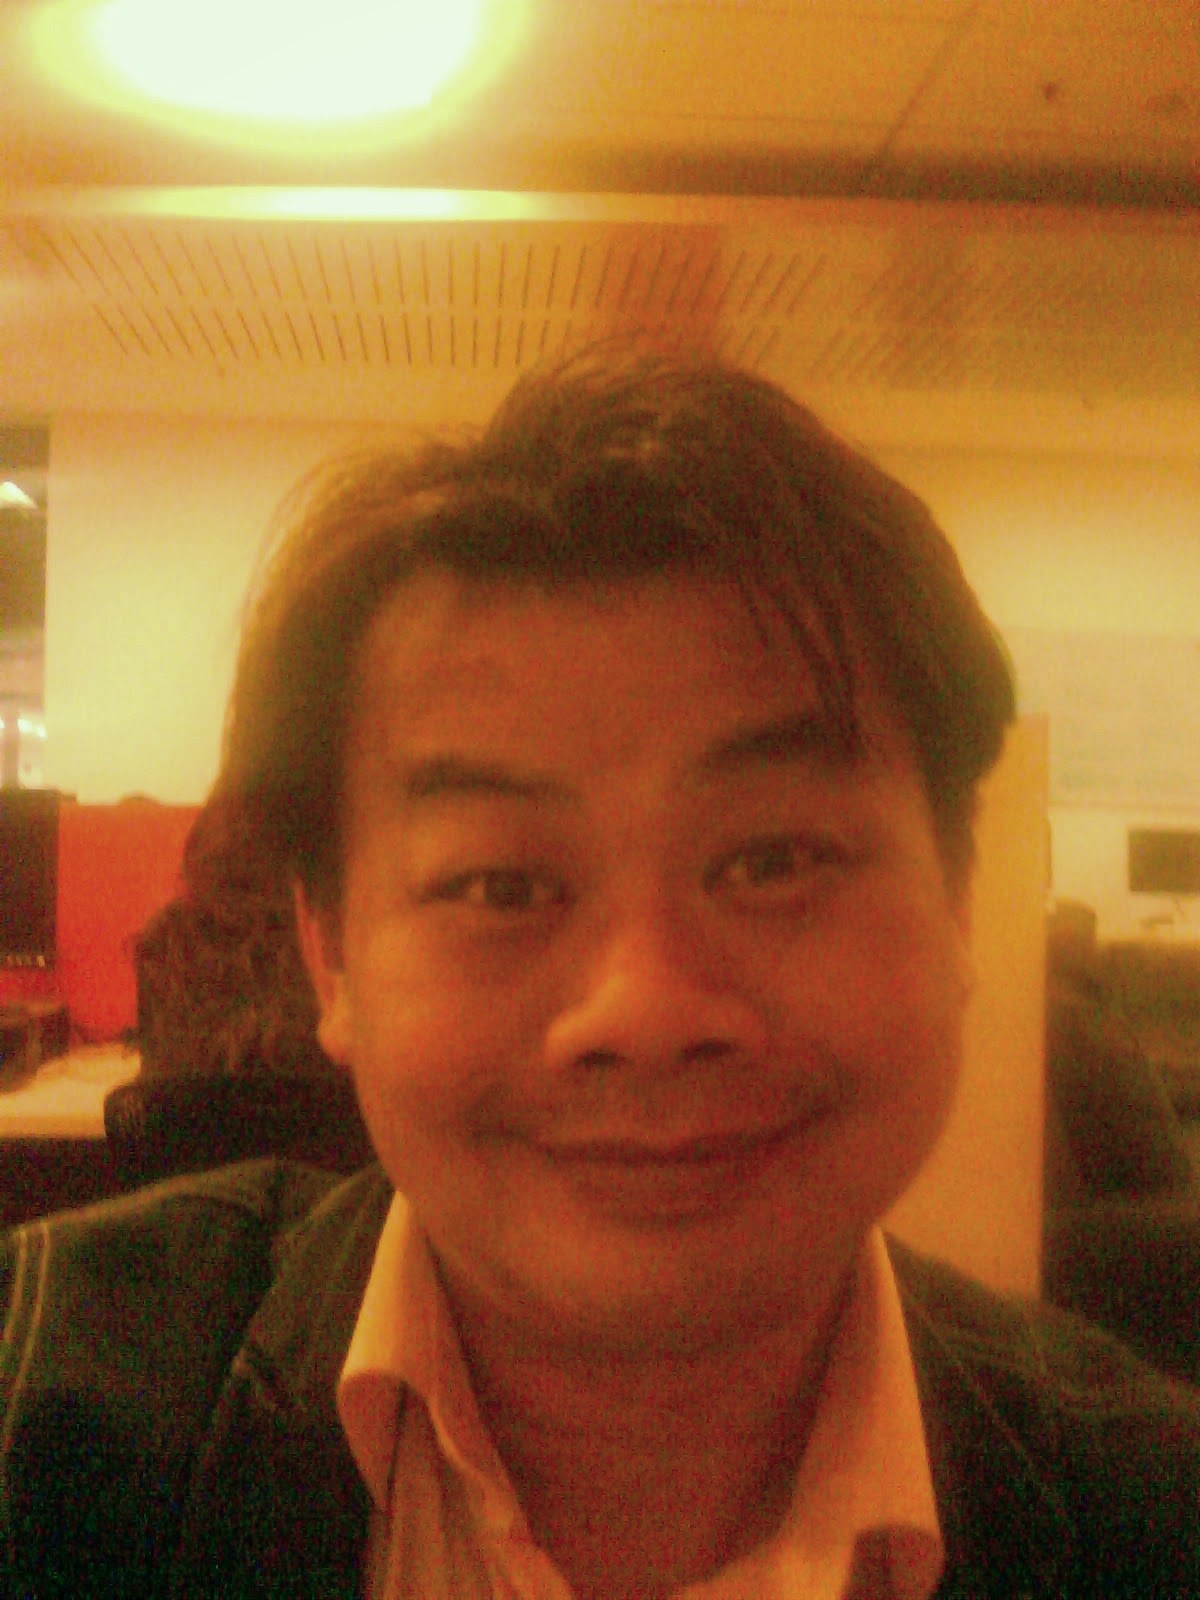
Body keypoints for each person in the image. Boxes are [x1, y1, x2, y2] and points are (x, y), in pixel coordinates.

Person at [2, 349, 1197, 1599]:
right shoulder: (44, 1436)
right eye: (500, 886)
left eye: (776, 859)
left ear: (956, 904)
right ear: (331, 953)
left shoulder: (1155, 1515)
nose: (647, 1008)